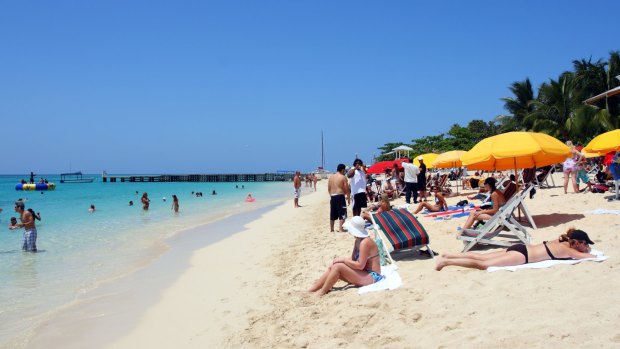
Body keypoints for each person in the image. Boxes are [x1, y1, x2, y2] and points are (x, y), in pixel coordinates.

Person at [435, 228, 596, 270]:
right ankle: (447, 262)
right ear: (576, 242)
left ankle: (449, 255)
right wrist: (587, 253)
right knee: (484, 264)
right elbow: (589, 257)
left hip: (521, 248)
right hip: (523, 255)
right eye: (585, 244)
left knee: (483, 257)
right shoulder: (568, 249)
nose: (586, 247)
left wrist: (584, 249)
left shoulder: (561, 240)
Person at [308, 216, 384, 296]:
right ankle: (313, 289)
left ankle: (322, 292)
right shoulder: (358, 241)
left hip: (372, 276)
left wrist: (343, 260)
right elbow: (352, 259)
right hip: (364, 273)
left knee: (338, 267)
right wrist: (339, 261)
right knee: (334, 266)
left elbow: (360, 266)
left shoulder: (365, 243)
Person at [328, 164, 350, 232]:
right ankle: (341, 229)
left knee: (333, 213)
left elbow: (329, 188)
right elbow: (347, 189)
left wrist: (331, 195)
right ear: (342, 170)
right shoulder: (343, 177)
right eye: (344, 170)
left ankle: (332, 229)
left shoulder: (331, 177)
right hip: (340, 196)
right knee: (342, 212)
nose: (345, 171)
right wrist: (348, 198)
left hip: (333, 196)